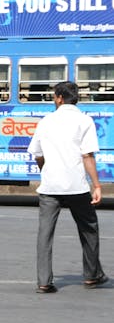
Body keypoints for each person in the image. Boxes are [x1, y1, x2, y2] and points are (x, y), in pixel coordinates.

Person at [27, 81, 109, 293]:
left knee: (45, 234)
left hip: (49, 187)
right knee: (89, 228)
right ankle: (92, 275)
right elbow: (88, 156)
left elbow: (37, 153)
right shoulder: (84, 121)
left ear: (60, 98)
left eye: (54, 97)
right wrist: (97, 185)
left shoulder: (46, 121)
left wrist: (45, 170)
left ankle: (44, 282)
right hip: (76, 186)